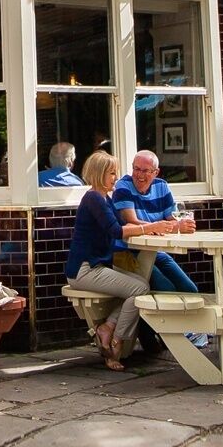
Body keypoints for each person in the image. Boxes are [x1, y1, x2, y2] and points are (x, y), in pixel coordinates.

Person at [64, 150, 161, 372]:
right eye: (111, 173)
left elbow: (124, 227)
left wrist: (155, 228)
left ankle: (107, 328)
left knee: (140, 284)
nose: (115, 178)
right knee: (139, 288)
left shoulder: (104, 198)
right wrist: (151, 228)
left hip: (95, 267)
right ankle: (115, 339)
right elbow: (117, 231)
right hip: (84, 270)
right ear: (99, 174)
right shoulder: (93, 198)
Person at [113, 150, 205, 348]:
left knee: (190, 290)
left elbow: (173, 219)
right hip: (131, 254)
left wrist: (181, 225)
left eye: (146, 171)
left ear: (156, 172)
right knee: (167, 291)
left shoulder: (162, 187)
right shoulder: (123, 186)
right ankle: (168, 338)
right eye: (136, 169)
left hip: (156, 252)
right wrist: (168, 225)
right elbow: (132, 222)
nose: (140, 175)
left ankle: (174, 335)